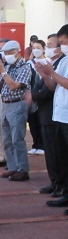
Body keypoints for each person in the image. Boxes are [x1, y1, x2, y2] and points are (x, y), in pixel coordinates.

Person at [34, 24, 68, 216]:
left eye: (62, 43)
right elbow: (54, 86)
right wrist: (44, 73)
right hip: (60, 115)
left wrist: (52, 73)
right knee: (62, 158)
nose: (60, 47)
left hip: (66, 114)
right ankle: (65, 191)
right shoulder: (63, 61)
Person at [26, 34, 64, 196]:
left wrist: (33, 96)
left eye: (50, 45)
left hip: (53, 113)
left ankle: (61, 185)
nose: (48, 48)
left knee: (58, 153)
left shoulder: (60, 63)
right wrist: (43, 74)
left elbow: (51, 89)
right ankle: (54, 182)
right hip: (47, 113)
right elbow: (47, 84)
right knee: (50, 153)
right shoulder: (51, 63)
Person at [0, 40, 32, 181]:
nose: (7, 56)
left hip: (17, 104)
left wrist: (3, 71)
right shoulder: (7, 66)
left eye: (10, 53)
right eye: (5, 53)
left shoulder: (25, 67)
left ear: (18, 52)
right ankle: (12, 167)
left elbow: (14, 86)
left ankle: (23, 169)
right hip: (5, 103)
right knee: (7, 139)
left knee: (17, 139)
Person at [26, 40, 49, 155]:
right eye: (34, 48)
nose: (35, 50)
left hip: (43, 95)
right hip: (32, 95)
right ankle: (36, 144)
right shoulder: (29, 63)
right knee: (33, 121)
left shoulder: (49, 62)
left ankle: (43, 145)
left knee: (42, 120)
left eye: (38, 47)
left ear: (44, 49)